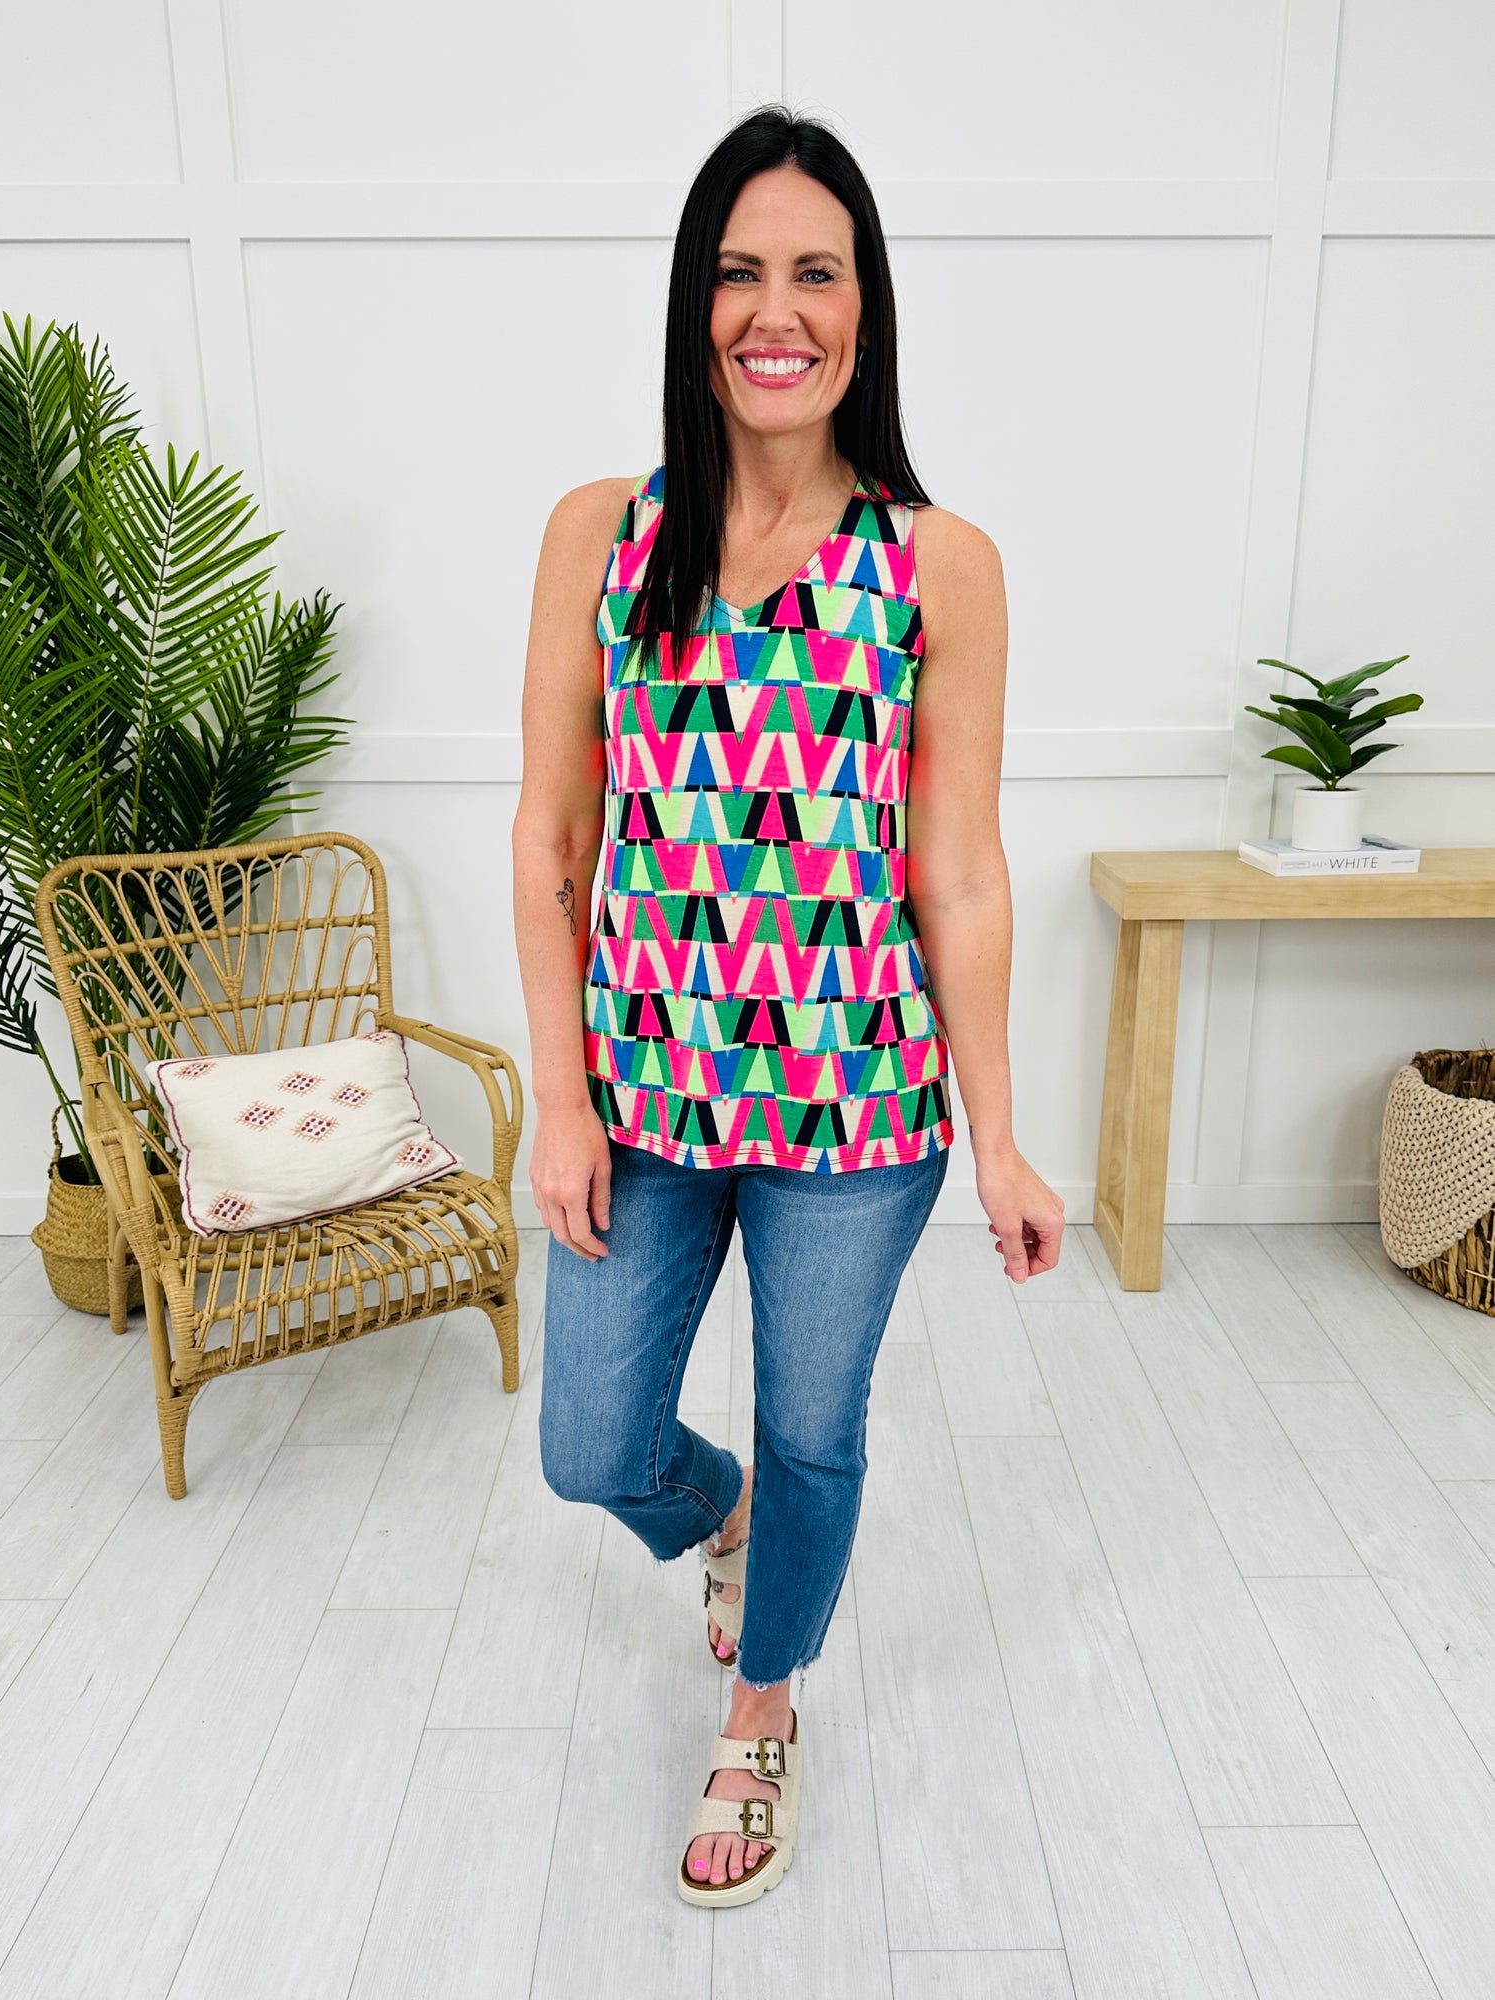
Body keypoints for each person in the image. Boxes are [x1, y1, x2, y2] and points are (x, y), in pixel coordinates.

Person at [511, 102, 1064, 1909]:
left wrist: (1000, 1139)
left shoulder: (938, 563)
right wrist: (562, 1097)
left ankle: (763, 1710)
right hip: (643, 1097)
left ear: (862, 307)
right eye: (740, 272)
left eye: (815, 273)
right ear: (696, 302)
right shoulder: (604, 534)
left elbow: (957, 875)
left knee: (819, 1426)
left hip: (861, 1112)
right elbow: (554, 828)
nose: (777, 310)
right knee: (591, 1445)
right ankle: (727, 1521)